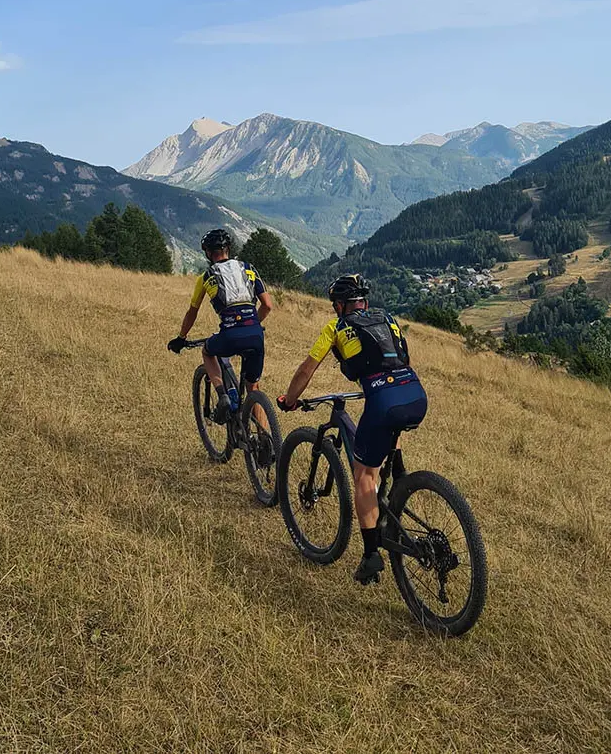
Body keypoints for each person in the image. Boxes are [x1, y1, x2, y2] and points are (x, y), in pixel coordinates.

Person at [278, 274, 428, 585]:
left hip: (383, 400)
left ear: (339, 305)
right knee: (386, 437)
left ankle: (371, 555)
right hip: (415, 394)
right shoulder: (387, 318)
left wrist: (290, 399)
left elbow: (308, 367)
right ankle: (399, 486)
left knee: (363, 475)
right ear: (365, 301)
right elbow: (402, 358)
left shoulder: (336, 327)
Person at [168, 229, 274, 423]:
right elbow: (267, 305)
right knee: (253, 388)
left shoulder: (206, 277)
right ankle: (267, 443)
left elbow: (192, 312)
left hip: (229, 335)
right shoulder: (249, 269)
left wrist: (181, 338)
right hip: (255, 335)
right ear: (228, 249)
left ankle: (223, 396)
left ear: (208, 253)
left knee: (208, 352)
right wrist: (253, 324)